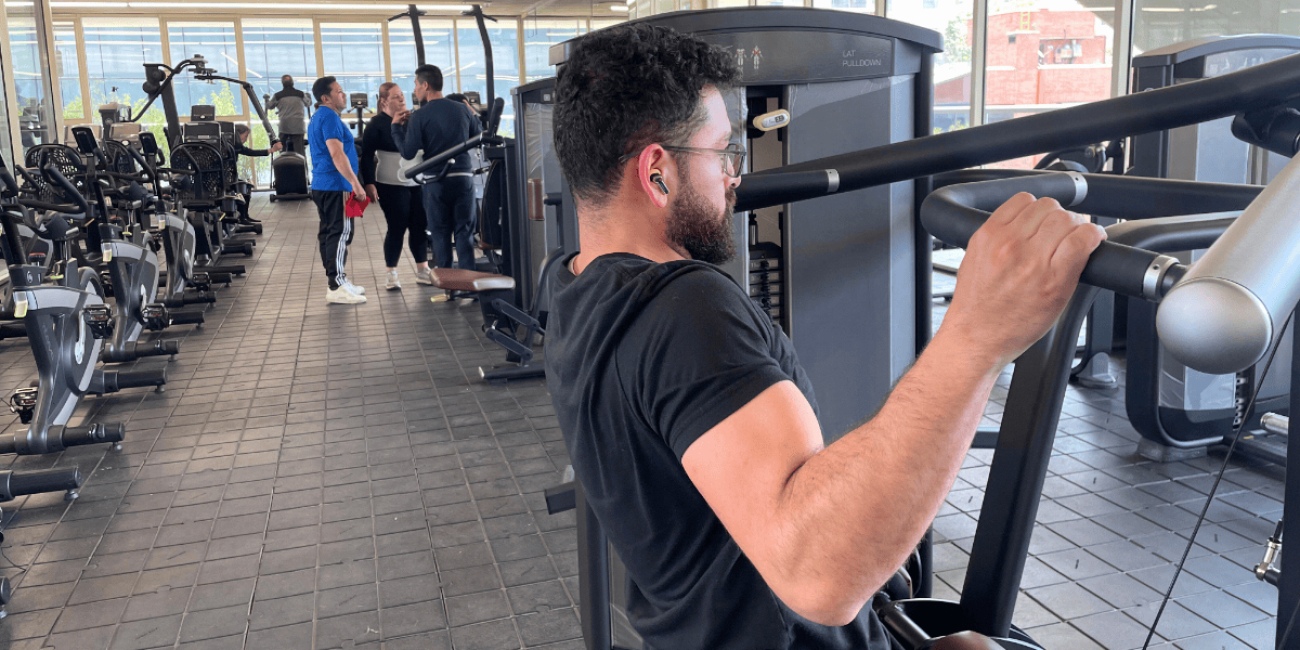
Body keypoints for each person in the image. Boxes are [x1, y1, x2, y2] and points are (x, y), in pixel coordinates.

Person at [544, 24, 1107, 650]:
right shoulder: (683, 307)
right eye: (724, 153)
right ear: (657, 174)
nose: (735, 177)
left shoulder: (571, 289)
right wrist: (978, 335)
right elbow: (818, 577)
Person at [391, 64, 482, 271]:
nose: (414, 89)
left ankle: (448, 288)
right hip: (463, 178)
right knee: (464, 233)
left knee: (440, 234)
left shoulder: (419, 116)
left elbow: (407, 152)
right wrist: (472, 111)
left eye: (416, 84)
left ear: (425, 85)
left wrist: (396, 128)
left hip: (436, 182)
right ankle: (469, 285)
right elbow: (478, 136)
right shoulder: (460, 109)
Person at [362, 82, 434, 290]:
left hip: (417, 182)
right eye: (396, 97)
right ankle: (391, 273)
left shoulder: (413, 120)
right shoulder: (376, 124)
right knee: (397, 226)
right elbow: (366, 156)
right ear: (384, 101)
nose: (402, 99)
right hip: (390, 183)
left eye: (402, 95)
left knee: (419, 225)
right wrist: (369, 184)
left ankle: (422, 270)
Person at [308, 76, 367, 305]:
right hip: (337, 185)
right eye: (339, 91)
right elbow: (337, 154)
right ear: (326, 98)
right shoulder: (330, 117)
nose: (344, 95)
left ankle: (338, 281)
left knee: (329, 232)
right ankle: (336, 285)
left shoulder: (318, 117)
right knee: (341, 233)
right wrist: (355, 183)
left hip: (323, 185)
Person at [232, 124, 282, 224]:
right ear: (238, 134)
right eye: (245, 136)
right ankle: (243, 218)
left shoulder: (230, 145)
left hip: (228, 177)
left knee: (245, 188)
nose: (246, 139)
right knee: (244, 188)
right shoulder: (235, 145)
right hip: (227, 179)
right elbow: (250, 152)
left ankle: (244, 216)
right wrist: (271, 150)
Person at [267, 75, 311, 154]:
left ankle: (284, 162)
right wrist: (309, 97)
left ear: (282, 83)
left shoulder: (278, 95)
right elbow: (308, 103)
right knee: (299, 151)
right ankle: (300, 164)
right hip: (298, 126)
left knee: (283, 150)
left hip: (284, 126)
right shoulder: (300, 94)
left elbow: (270, 106)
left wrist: (267, 100)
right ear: (292, 83)